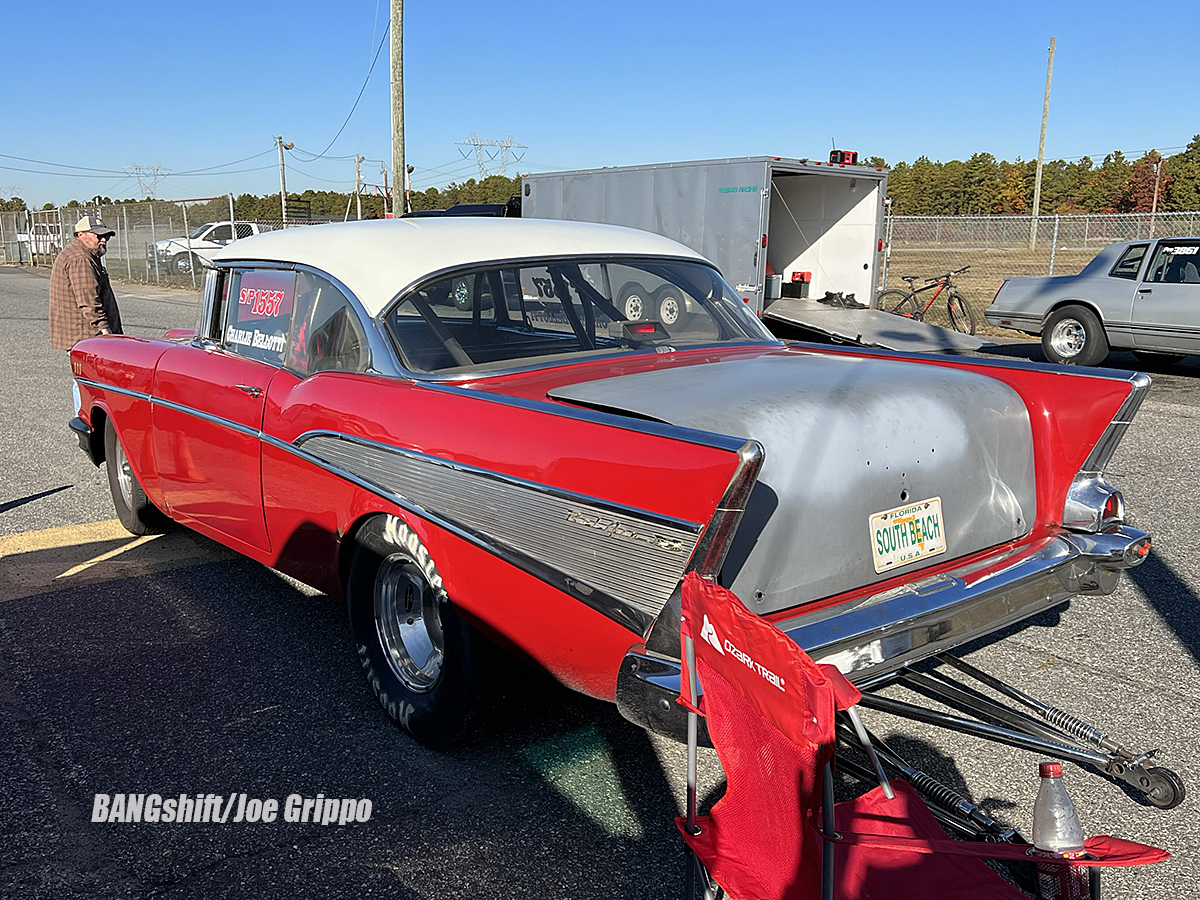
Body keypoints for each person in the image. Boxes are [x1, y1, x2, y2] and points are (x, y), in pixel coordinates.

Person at [49, 214, 123, 350]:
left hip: (86, 336)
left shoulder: (86, 255)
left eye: (106, 236)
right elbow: (88, 299)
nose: (103, 240)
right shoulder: (80, 259)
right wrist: (105, 329)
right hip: (87, 337)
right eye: (98, 236)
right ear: (81, 234)